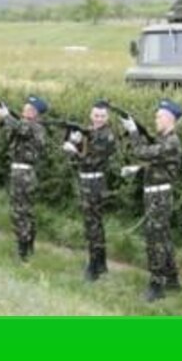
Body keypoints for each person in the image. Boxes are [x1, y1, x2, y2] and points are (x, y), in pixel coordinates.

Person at [120, 99, 182, 302]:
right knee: (163, 236)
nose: (155, 120)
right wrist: (138, 169)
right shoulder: (164, 140)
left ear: (169, 119)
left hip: (159, 196)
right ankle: (172, 279)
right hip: (156, 194)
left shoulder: (172, 142)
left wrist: (133, 132)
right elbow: (158, 164)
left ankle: (157, 285)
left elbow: (141, 152)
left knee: (154, 239)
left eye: (159, 116)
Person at [62, 100, 117, 281]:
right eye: (96, 115)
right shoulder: (90, 132)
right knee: (93, 224)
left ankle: (94, 266)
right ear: (90, 115)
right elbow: (84, 152)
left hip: (95, 182)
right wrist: (74, 141)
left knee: (93, 225)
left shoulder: (106, 135)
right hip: (86, 181)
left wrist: (73, 151)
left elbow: (90, 161)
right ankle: (101, 264)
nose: (98, 119)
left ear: (107, 117)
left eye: (102, 116)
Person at [0, 95, 47, 261]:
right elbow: (10, 133)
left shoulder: (36, 127)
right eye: (25, 108)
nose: (25, 111)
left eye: (29, 109)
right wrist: (4, 118)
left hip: (24, 173)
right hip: (18, 171)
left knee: (21, 211)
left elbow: (21, 129)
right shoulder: (23, 124)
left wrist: (7, 116)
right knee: (23, 210)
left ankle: (23, 248)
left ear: (36, 113)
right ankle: (27, 244)